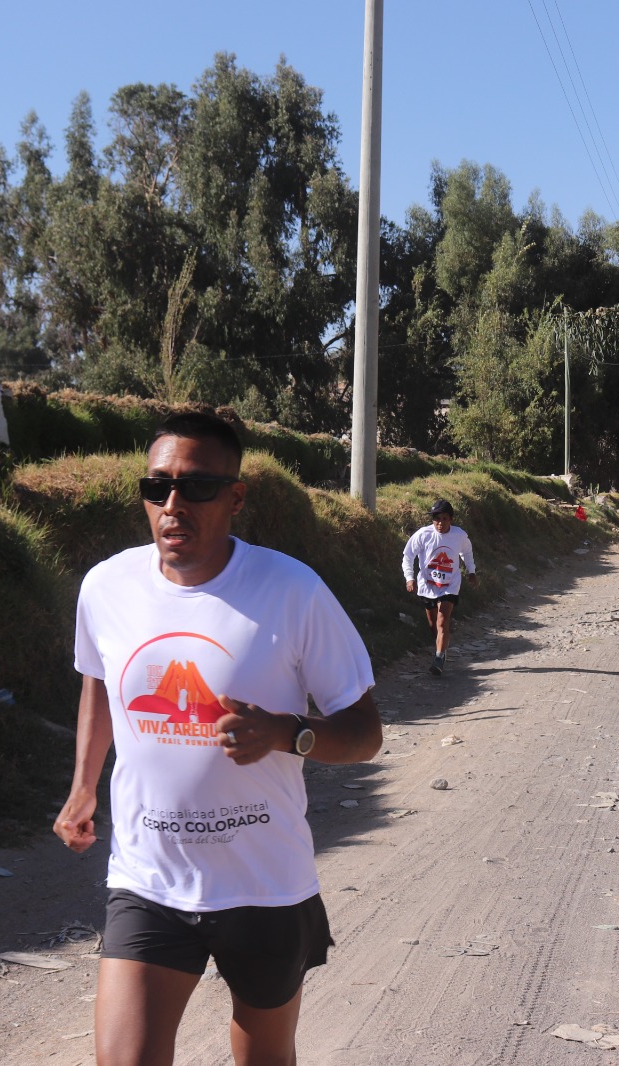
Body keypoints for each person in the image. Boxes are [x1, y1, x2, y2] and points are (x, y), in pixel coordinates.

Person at [54, 410, 383, 1066]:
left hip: (263, 884)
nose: (174, 504)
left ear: (235, 497)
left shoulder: (292, 591)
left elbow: (364, 733)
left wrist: (287, 733)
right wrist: (82, 787)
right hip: (149, 878)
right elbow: (100, 684)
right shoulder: (107, 587)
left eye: (198, 487)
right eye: (158, 486)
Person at [401, 499, 477, 675]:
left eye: (444, 519)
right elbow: (408, 556)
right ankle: (441, 647)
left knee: (442, 620)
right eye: (436, 519)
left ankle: (439, 657)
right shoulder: (423, 534)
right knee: (433, 624)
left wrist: (471, 571)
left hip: (450, 584)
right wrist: (409, 578)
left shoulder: (459, 535)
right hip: (427, 584)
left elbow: (466, 552)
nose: (440, 523)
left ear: (451, 519)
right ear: (432, 520)